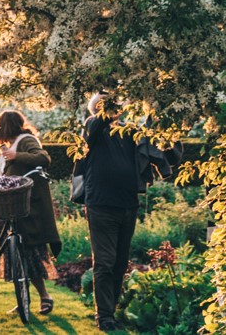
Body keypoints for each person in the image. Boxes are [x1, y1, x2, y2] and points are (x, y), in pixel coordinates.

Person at [0, 110, 61, 316]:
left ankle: (44, 297)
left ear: (5, 127)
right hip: (10, 208)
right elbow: (2, 174)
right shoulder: (8, 146)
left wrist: (17, 155)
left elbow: (43, 158)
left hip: (27, 209)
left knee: (29, 253)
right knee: (15, 256)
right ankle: (23, 300)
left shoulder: (25, 140)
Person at [82, 92, 139, 332]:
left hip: (127, 205)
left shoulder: (127, 132)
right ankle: (104, 316)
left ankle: (110, 310)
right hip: (101, 206)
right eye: (106, 106)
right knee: (104, 263)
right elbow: (96, 123)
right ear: (97, 109)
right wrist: (110, 110)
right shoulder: (92, 128)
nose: (114, 109)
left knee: (119, 262)